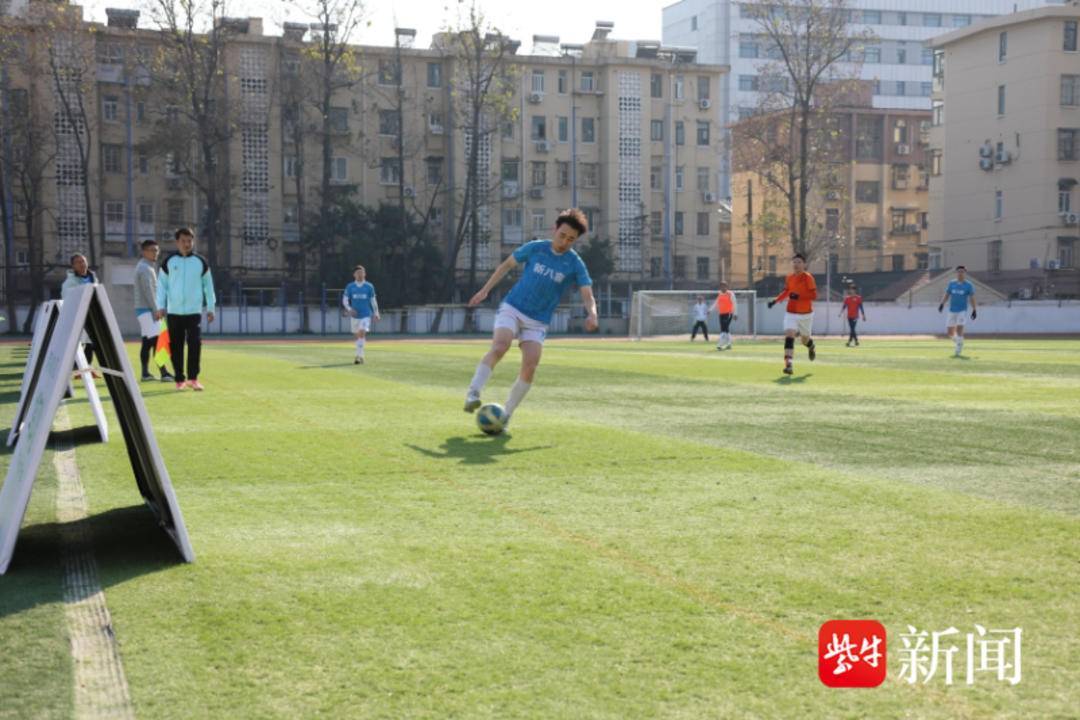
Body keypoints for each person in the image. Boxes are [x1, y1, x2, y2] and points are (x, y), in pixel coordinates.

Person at [464, 208, 597, 427]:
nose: (564, 242)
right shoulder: (536, 248)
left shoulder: (574, 263)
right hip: (513, 308)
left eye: (571, 239)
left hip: (538, 321)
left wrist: (592, 314)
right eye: (562, 235)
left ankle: (506, 415)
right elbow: (507, 265)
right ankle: (473, 393)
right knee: (500, 346)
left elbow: (587, 294)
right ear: (555, 229)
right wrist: (485, 290)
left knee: (530, 366)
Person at [155, 227, 216, 391]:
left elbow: (208, 287)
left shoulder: (200, 262)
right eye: (183, 241)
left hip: (194, 311)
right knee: (176, 346)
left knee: (195, 343)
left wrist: (211, 308)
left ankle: (193, 378)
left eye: (189, 241)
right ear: (177, 242)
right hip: (174, 312)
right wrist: (160, 306)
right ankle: (179, 379)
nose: (187, 244)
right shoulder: (169, 262)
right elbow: (161, 286)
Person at [767, 253, 818, 375]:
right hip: (791, 312)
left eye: (799, 262)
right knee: (790, 335)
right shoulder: (789, 278)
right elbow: (787, 292)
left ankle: (811, 346)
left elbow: (814, 295)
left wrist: (799, 296)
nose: (796, 264)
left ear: (804, 264)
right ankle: (788, 364)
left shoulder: (808, 277)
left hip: (806, 314)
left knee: (804, 340)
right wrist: (775, 301)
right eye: (794, 262)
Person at [133, 239, 174, 382]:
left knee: (146, 342)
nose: (155, 253)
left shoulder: (147, 266)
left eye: (157, 250)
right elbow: (148, 291)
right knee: (157, 341)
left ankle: (145, 373)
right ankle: (164, 373)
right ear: (144, 252)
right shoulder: (145, 268)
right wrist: (156, 310)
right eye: (152, 250)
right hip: (147, 310)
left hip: (144, 310)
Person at [61, 253, 99, 374]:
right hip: (77, 317)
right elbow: (68, 300)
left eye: (83, 261)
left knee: (90, 343)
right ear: (73, 266)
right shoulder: (69, 283)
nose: (82, 264)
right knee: (77, 344)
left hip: (92, 316)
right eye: (78, 262)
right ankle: (74, 367)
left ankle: (86, 367)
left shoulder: (93, 277)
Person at [341, 265, 380, 364]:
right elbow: (345, 300)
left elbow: (373, 300)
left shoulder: (369, 286)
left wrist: (376, 313)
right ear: (354, 274)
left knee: (362, 333)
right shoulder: (350, 286)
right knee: (358, 336)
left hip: (366, 315)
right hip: (354, 316)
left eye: (362, 272)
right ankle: (361, 356)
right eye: (358, 273)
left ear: (365, 274)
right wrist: (350, 309)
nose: (360, 274)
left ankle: (357, 357)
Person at [938, 265, 977, 357]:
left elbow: (972, 298)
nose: (960, 273)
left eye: (962, 271)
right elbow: (947, 294)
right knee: (950, 333)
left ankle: (958, 348)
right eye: (959, 271)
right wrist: (942, 304)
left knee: (959, 328)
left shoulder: (968, 285)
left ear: (965, 273)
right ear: (956, 273)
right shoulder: (952, 283)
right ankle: (959, 342)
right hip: (952, 310)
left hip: (962, 310)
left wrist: (974, 310)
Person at [715, 282, 738, 351]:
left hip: (728, 313)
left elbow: (734, 303)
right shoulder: (720, 294)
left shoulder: (730, 294)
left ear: (727, 287)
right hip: (721, 314)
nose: (722, 288)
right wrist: (711, 310)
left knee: (724, 329)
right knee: (725, 329)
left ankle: (720, 345)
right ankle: (729, 345)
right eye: (721, 286)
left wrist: (735, 314)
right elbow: (717, 303)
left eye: (724, 286)